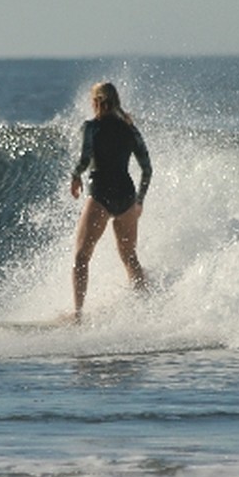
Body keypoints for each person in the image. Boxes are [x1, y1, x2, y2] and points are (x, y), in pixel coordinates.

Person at [69, 82, 152, 320]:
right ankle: (145, 308)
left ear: (96, 102)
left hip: (101, 194)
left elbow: (85, 160)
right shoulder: (130, 129)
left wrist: (75, 176)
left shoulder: (91, 127)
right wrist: (139, 201)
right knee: (129, 256)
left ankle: (78, 315)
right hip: (126, 195)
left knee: (81, 257)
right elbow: (147, 168)